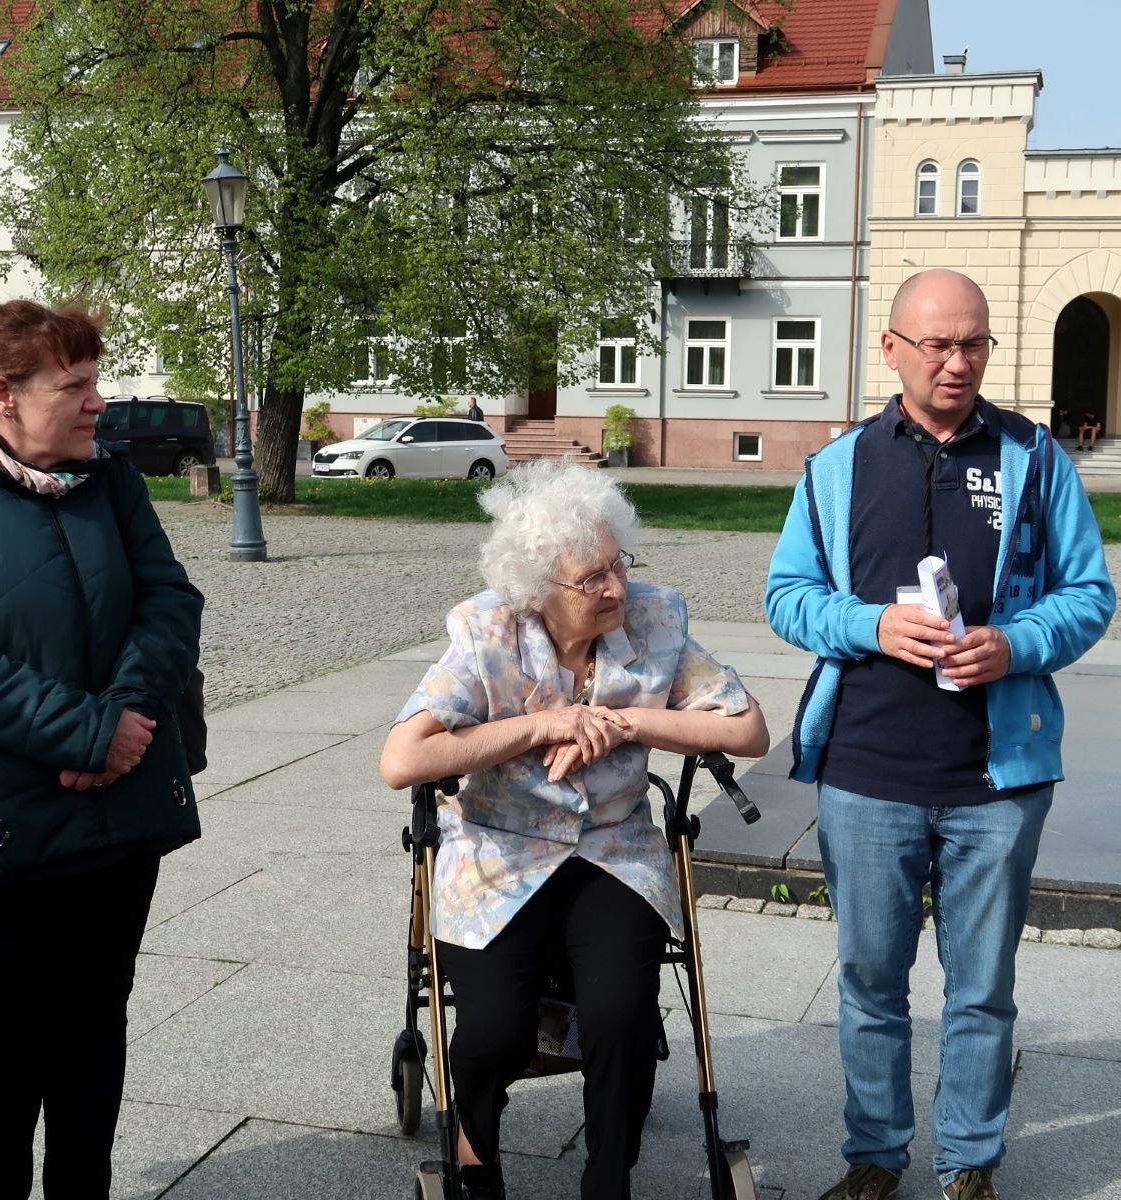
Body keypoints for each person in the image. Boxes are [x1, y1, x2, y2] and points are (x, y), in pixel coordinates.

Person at [765, 269, 1115, 1200]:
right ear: (891, 348)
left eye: (975, 344)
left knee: (982, 991)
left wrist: (1017, 643)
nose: (959, 363)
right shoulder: (836, 468)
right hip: (867, 773)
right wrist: (870, 625)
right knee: (870, 985)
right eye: (939, 344)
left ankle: (969, 1167)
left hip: (996, 780)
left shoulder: (1035, 461)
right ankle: (876, 1159)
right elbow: (787, 597)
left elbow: (1090, 597)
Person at [381, 460, 768, 1200]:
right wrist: (541, 725)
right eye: (592, 578)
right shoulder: (487, 631)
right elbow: (403, 760)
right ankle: (473, 1151)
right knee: (494, 1028)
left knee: (622, 1017)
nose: (616, 587)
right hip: (501, 851)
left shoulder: (654, 619)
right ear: (535, 590)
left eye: (619, 564)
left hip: (613, 850)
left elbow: (747, 728)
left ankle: (606, 1178)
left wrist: (620, 722)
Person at [0, 299, 205, 1199]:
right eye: (75, 386)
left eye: (96, 380)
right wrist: (84, 731)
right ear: (2, 395)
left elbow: (170, 602)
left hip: (116, 804)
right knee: (5, 1034)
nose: (99, 404)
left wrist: (122, 721)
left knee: (93, 1027)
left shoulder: (113, 481)